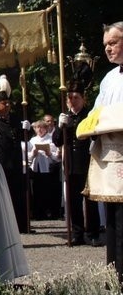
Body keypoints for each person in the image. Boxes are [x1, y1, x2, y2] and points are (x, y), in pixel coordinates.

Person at [81, 21, 123, 281]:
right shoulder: (108, 79)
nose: (108, 49)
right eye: (106, 45)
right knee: (113, 220)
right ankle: (115, 273)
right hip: (111, 158)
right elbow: (96, 113)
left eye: (113, 43)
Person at [53, 81, 101, 245]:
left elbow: (95, 136)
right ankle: (78, 233)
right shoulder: (65, 117)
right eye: (70, 98)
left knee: (90, 200)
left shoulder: (89, 115)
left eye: (76, 97)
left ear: (83, 99)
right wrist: (60, 126)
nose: (72, 101)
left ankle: (93, 233)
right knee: (73, 201)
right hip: (71, 164)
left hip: (87, 161)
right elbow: (57, 141)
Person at [0, 90, 31, 233]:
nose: (8, 105)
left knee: (19, 194)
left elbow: (23, 138)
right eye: (4, 103)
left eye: (8, 102)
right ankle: (4, 225)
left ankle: (22, 224)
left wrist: (27, 130)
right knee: (4, 195)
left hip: (15, 161)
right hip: (1, 163)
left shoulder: (15, 119)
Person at [27, 120, 61, 221]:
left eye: (42, 127)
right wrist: (33, 153)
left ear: (46, 129)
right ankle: (38, 213)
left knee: (48, 192)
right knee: (37, 192)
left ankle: (50, 212)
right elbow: (27, 156)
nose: (39, 130)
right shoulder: (32, 140)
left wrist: (49, 153)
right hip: (36, 169)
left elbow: (57, 157)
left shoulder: (51, 139)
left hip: (48, 169)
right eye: (37, 128)